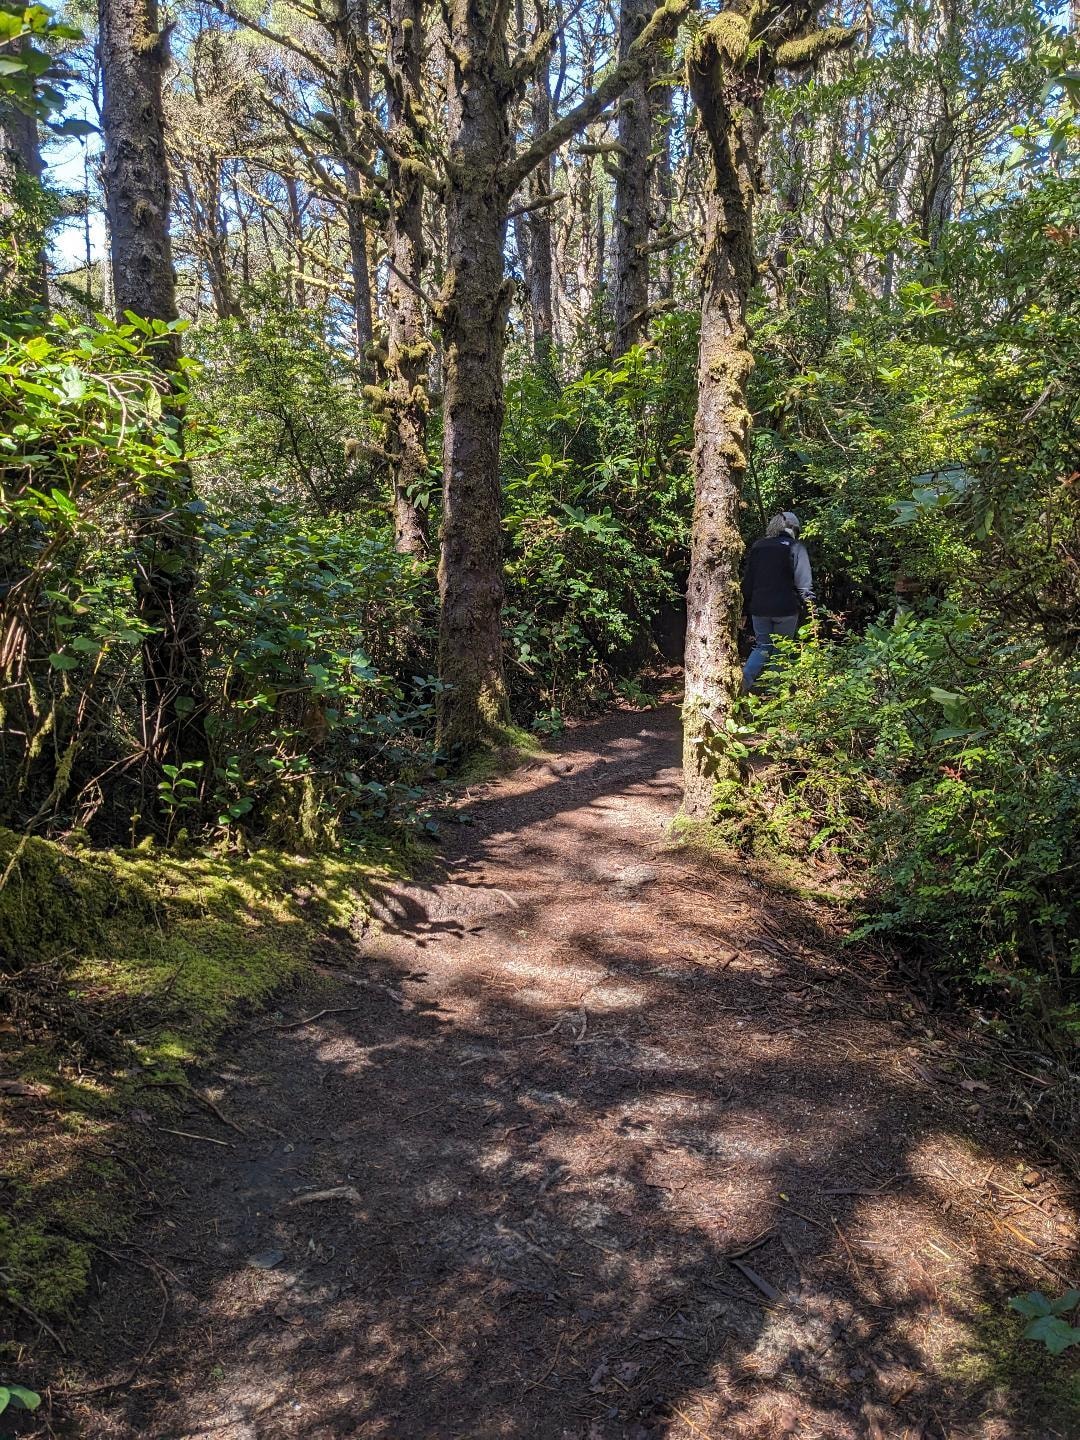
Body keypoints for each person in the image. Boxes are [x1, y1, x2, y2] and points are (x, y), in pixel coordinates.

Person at [741, 511, 814, 693]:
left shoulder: (758, 547)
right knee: (782, 649)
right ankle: (775, 692)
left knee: (762, 646)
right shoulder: (796, 547)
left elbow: (748, 581)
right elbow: (804, 583)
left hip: (759, 608)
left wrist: (744, 609)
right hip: (786, 609)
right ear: (793, 529)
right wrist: (811, 609)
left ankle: (743, 682)